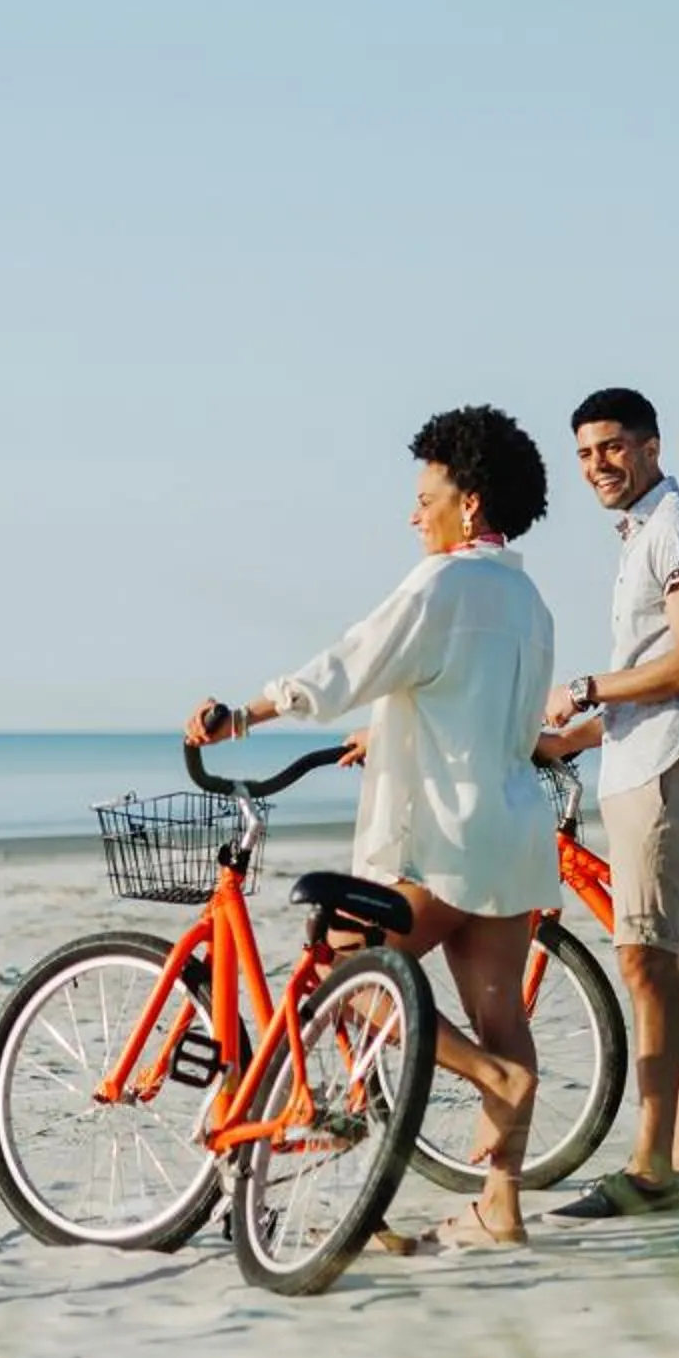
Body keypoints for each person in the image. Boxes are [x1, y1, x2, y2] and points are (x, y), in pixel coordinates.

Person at [185, 403, 559, 1252]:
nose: (414, 515)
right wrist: (388, 730)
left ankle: (482, 1087)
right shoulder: (528, 600)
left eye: (427, 498)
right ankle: (500, 1206)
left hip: (442, 836)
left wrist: (243, 715)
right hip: (510, 829)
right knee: (501, 1013)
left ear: (469, 503)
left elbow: (349, 662)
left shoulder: (441, 584)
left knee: (345, 973)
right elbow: (470, 699)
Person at [537, 386, 679, 1218]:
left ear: (652, 446)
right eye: (586, 454)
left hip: (664, 774)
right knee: (678, 964)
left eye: (613, 447)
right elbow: (658, 681)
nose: (598, 465)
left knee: (644, 964)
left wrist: (586, 688)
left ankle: (650, 1168)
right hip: (652, 761)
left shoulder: (677, 530)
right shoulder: (645, 536)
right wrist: (573, 737)